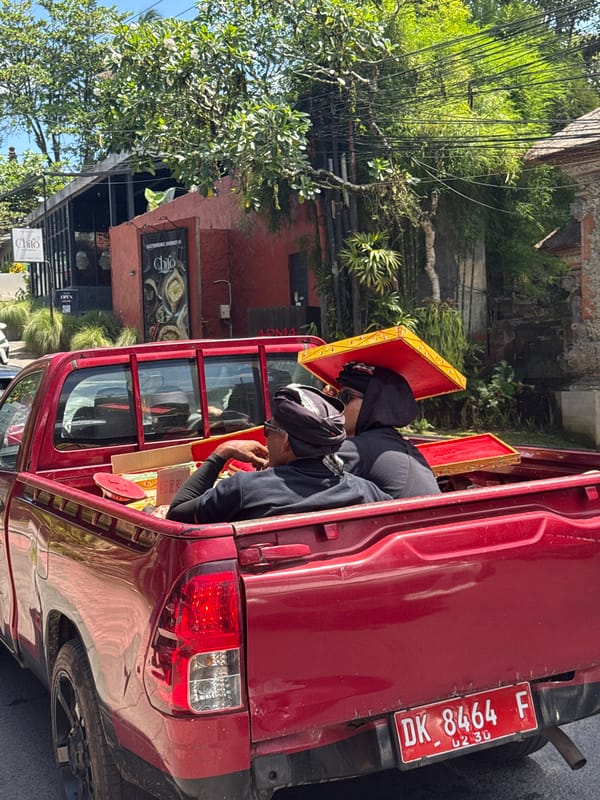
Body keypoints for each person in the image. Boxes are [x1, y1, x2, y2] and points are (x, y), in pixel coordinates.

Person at [167, 384, 391, 524]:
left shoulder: (244, 489)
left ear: (285, 442)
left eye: (268, 430)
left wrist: (220, 453)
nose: (265, 438)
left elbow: (177, 513)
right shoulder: (366, 492)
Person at [335, 362, 441, 499]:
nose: (337, 406)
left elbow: (306, 472)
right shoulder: (394, 443)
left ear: (371, 403)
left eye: (344, 397)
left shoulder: (363, 448)